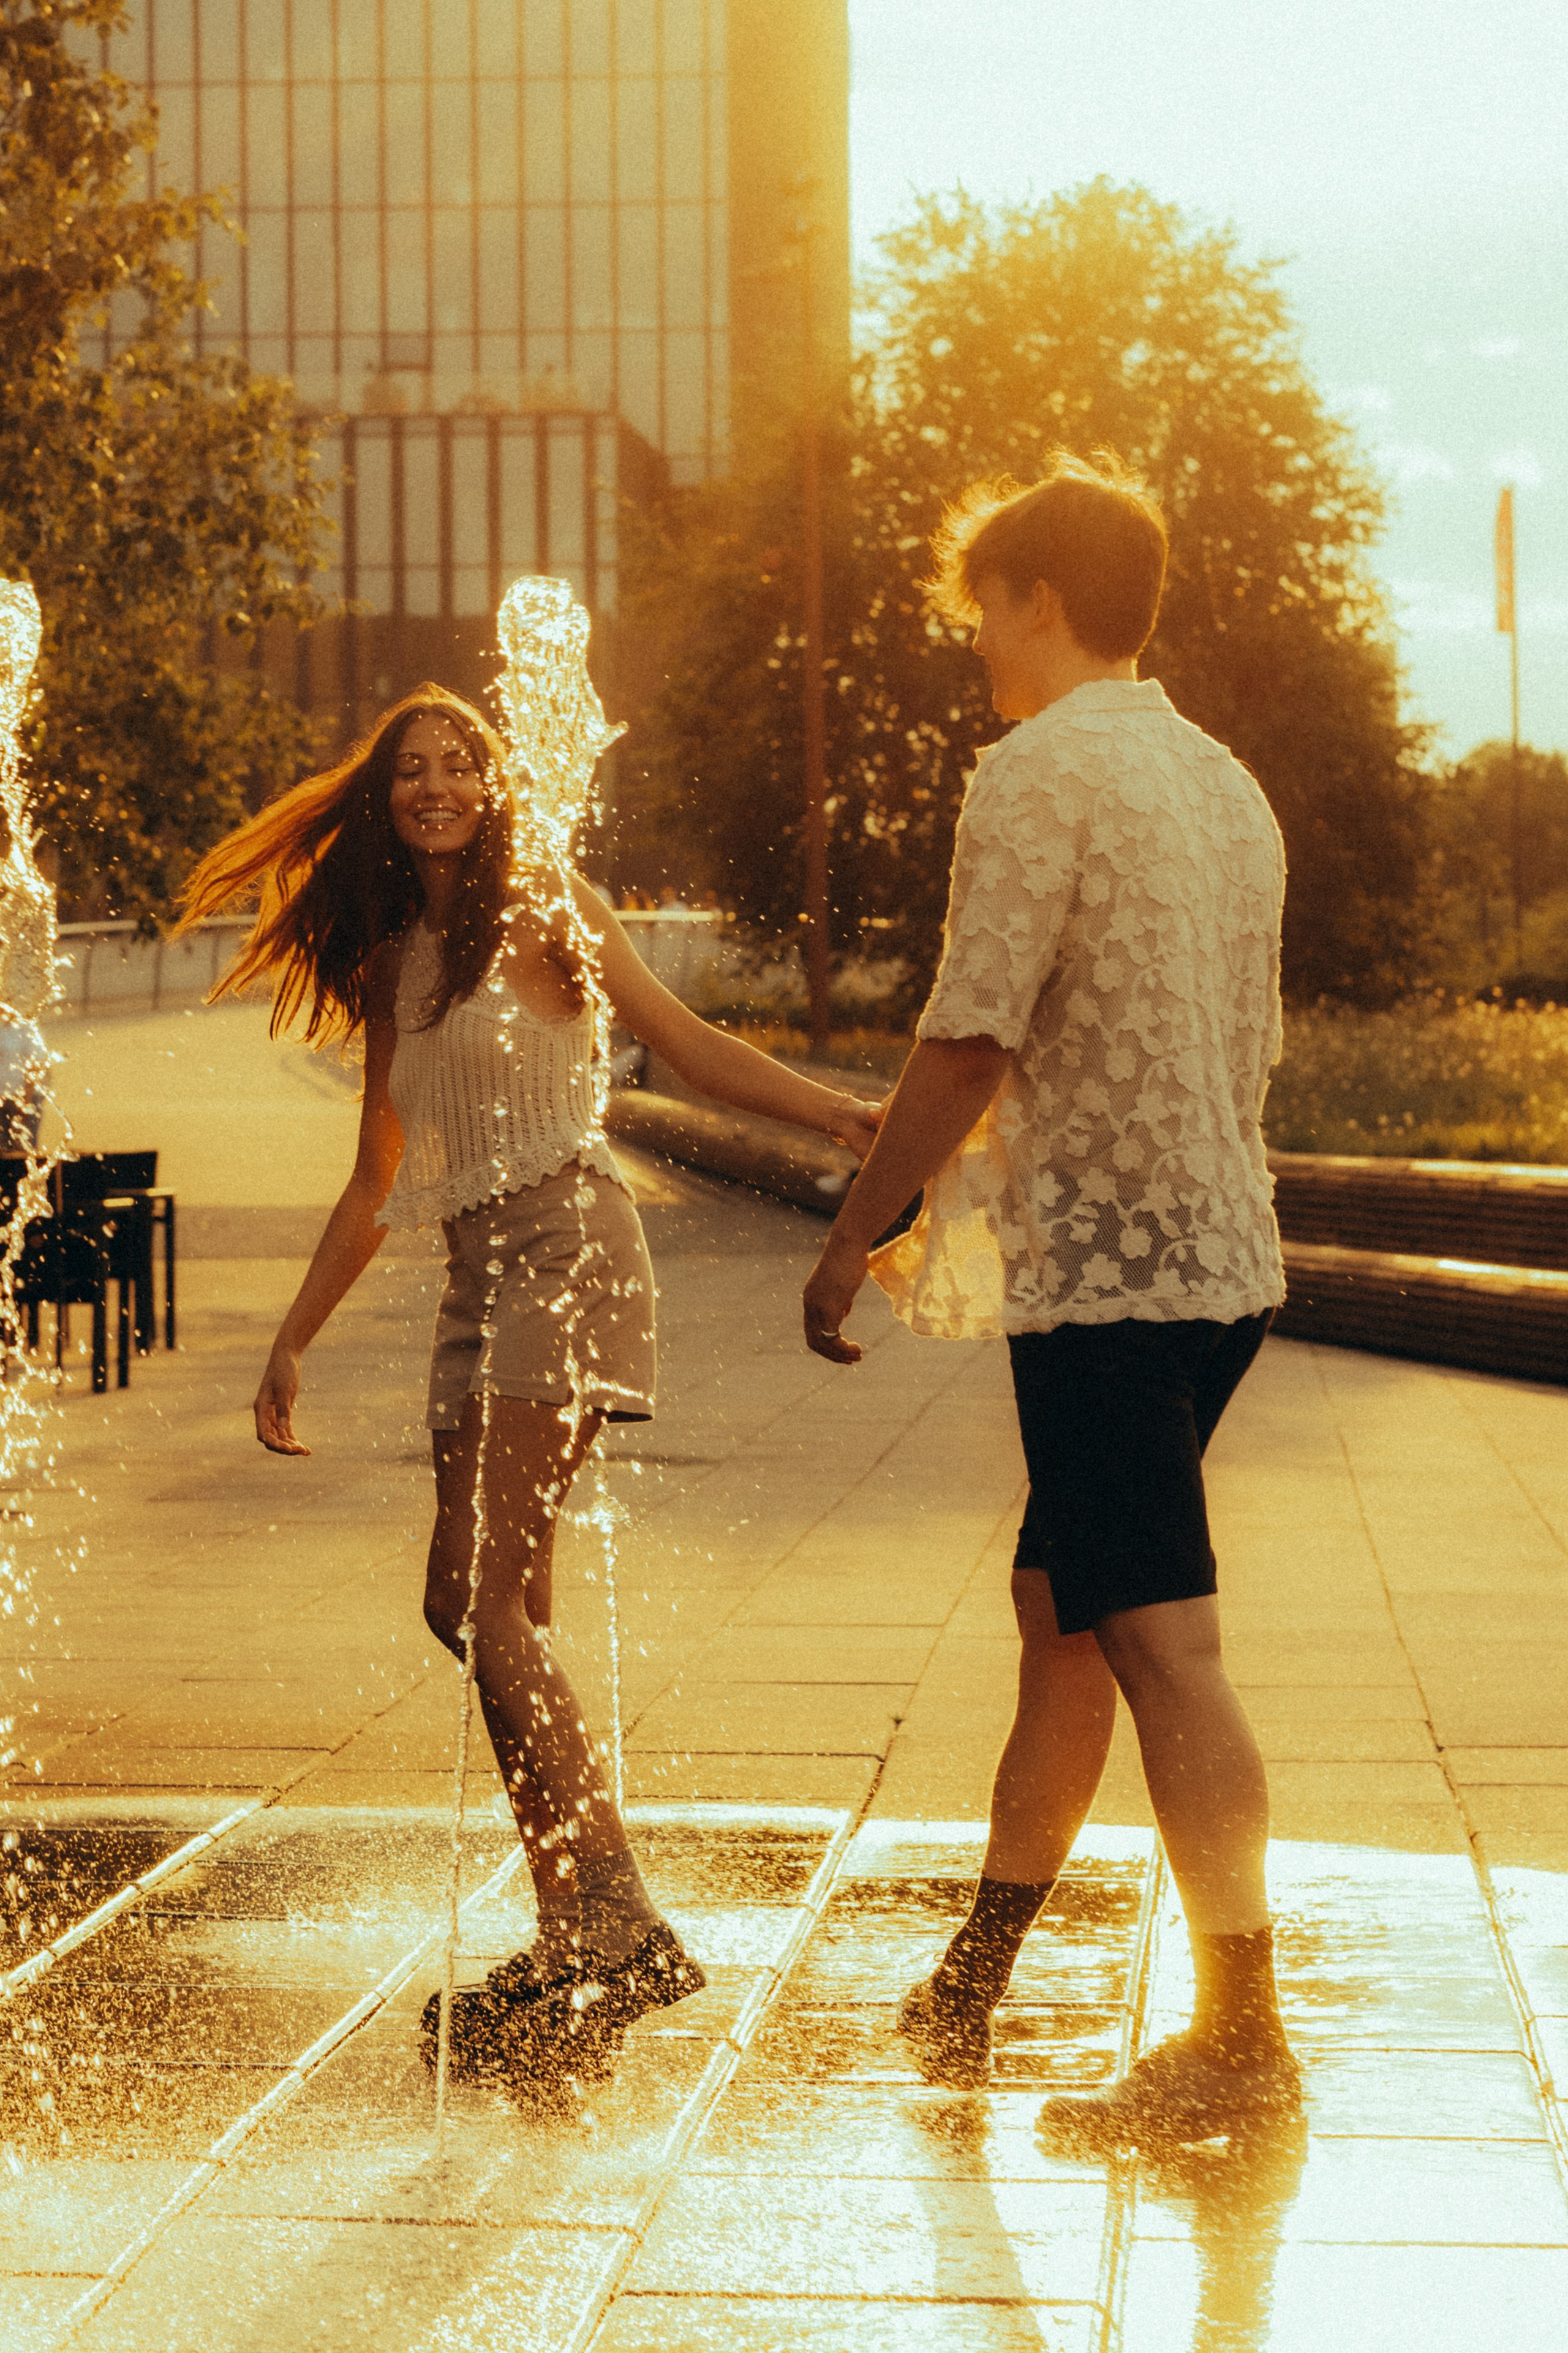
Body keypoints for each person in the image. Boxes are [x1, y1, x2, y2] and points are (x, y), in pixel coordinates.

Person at [181, 679, 880, 2091]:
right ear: (386, 803)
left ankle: (610, 1914)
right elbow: (376, 1176)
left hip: (568, 1242)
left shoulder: (549, 906)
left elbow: (683, 1047)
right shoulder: (391, 957)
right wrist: (293, 1335)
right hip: (469, 1280)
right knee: (472, 1605)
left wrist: (848, 1116)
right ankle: (573, 1922)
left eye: (458, 765)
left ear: (491, 787)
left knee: (489, 1599)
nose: (435, 785)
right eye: (411, 772)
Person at [801, 453, 1299, 2144]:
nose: (976, 646)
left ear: (1035, 598)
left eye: (983, 613)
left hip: (1110, 1285)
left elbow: (972, 1032)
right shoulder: (1224, 784)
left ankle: (1243, 2037)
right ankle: (980, 1971)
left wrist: (859, 1227)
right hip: (1223, 1263)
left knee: (1162, 1641)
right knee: (1064, 1610)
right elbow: (1247, 1043)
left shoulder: (1037, 772)